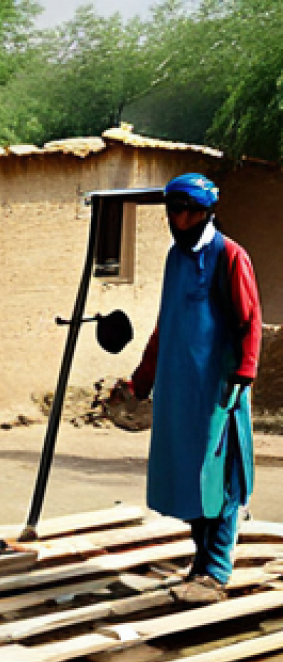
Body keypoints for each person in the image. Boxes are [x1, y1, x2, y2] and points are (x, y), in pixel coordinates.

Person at [127, 172, 262, 603]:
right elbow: (165, 325)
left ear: (207, 214)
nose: (182, 221)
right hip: (178, 390)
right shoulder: (175, 258)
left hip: (217, 388)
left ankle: (216, 571)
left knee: (218, 478)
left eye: (191, 213)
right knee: (188, 476)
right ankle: (200, 563)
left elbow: (249, 320)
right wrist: (143, 379)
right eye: (175, 213)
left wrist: (243, 374)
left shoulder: (230, 256)